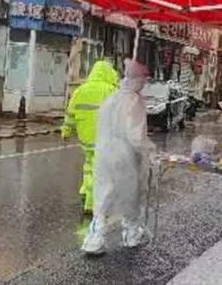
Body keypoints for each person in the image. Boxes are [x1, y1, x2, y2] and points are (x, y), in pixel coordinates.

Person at [81, 60, 155, 255]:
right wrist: (151, 150)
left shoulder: (112, 98)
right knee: (130, 195)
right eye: (143, 80)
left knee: (103, 194)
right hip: (125, 156)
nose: (144, 84)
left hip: (104, 153)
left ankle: (94, 239)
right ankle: (131, 234)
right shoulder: (134, 101)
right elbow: (136, 135)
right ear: (137, 80)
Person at [61, 59, 120, 215]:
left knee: (89, 166)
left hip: (85, 138)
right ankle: (91, 203)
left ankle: (85, 191)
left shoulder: (81, 90)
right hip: (104, 139)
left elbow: (70, 113)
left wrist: (66, 131)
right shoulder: (112, 91)